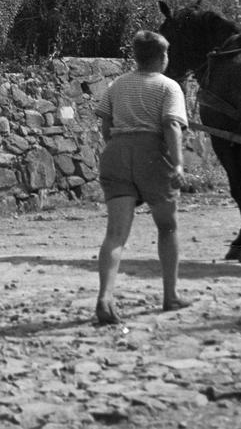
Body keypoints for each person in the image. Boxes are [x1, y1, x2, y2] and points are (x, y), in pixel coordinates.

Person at [92, 30, 189, 326]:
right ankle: (170, 295)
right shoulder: (169, 87)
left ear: (136, 57)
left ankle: (105, 298)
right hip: (151, 155)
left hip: (117, 154)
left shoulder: (117, 85)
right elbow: (172, 125)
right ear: (162, 57)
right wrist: (178, 163)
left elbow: (106, 125)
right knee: (167, 227)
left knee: (115, 234)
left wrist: (119, 143)